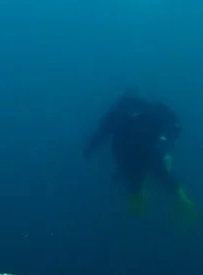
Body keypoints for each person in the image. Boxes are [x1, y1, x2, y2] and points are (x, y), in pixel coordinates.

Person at [83, 89, 196, 218]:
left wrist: (90, 148)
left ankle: (141, 195)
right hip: (145, 151)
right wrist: (167, 143)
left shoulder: (118, 113)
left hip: (136, 153)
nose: (134, 112)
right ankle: (177, 195)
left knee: (138, 178)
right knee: (158, 175)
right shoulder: (151, 109)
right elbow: (174, 124)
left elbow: (101, 133)